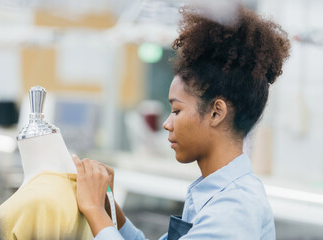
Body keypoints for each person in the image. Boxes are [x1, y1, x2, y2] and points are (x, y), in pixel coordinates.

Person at [71, 3, 290, 240]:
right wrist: (109, 208)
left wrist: (93, 210)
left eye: (176, 110)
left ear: (216, 112)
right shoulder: (216, 195)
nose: (167, 123)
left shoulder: (233, 210)